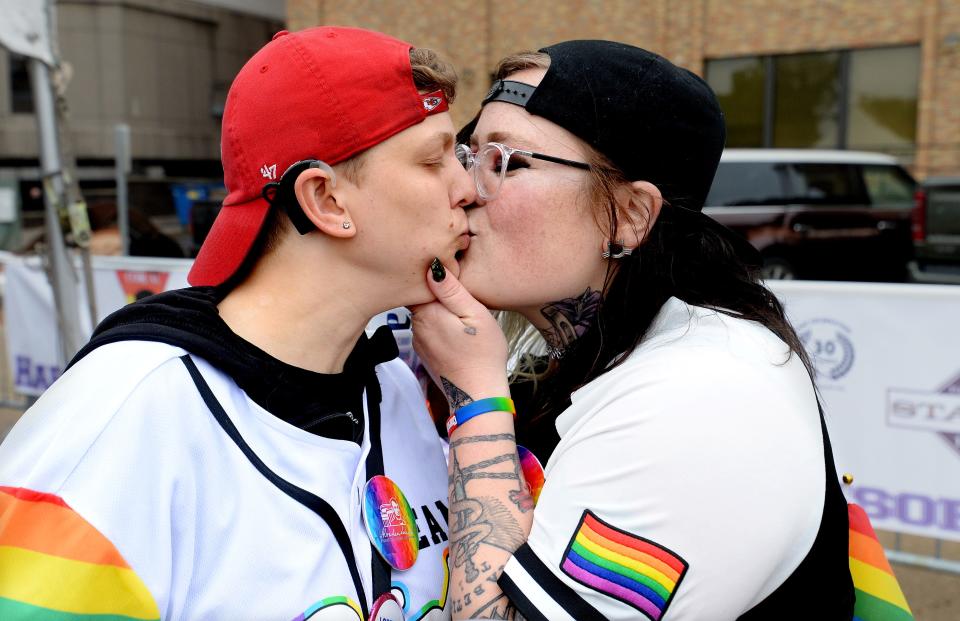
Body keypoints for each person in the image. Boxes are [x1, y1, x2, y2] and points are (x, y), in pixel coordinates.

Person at [0, 27, 473, 620]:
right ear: (326, 201)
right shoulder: (121, 419)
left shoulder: (393, 388)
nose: (468, 187)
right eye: (434, 160)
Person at [411, 41, 855, 620]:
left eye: (507, 162)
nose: (465, 188)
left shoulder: (705, 393)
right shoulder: (603, 346)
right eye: (470, 157)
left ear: (630, 216)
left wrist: (476, 400)